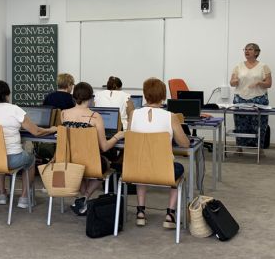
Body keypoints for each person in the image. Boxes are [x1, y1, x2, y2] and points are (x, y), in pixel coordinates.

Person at [0, 80, 57, 207]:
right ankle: (24, 199)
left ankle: (2, 195)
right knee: (31, 160)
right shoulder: (14, 109)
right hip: (11, 159)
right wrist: (50, 130)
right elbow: (36, 131)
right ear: (6, 95)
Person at [128, 78, 190, 229]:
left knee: (142, 167)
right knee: (179, 169)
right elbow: (185, 144)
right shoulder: (171, 117)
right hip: (164, 172)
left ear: (144, 95)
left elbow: (130, 137)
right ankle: (169, 215)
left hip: (136, 170)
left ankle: (141, 212)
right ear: (163, 96)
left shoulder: (133, 114)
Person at [60, 82, 125, 215]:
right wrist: (117, 137)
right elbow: (105, 146)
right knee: (106, 164)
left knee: (81, 167)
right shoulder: (95, 117)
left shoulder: (63, 114)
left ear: (74, 96)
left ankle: (81, 199)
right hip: (91, 164)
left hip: (70, 161)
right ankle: (85, 197)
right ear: (91, 98)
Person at [229, 43, 272, 153]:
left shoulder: (263, 66)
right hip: (241, 98)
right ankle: (240, 147)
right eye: (245, 49)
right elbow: (232, 82)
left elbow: (269, 83)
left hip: (259, 98)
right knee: (240, 124)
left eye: (250, 49)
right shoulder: (238, 66)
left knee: (259, 124)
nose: (247, 51)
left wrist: (259, 82)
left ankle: (259, 148)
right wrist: (235, 81)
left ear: (256, 52)